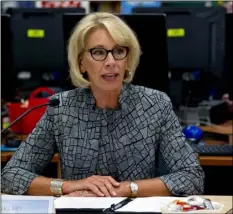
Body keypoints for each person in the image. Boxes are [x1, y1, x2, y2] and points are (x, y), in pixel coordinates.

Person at [1, 12, 204, 197]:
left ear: (128, 59)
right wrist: (70, 186)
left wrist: (126, 188)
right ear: (81, 63)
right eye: (98, 52)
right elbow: (11, 175)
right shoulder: (62, 108)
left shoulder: (154, 105)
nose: (110, 61)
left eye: (118, 51)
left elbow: (191, 177)